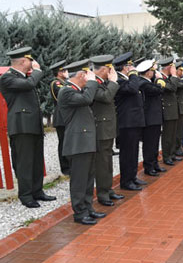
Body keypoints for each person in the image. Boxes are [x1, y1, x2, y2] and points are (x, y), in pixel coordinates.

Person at [0, 47, 56, 208]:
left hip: (33, 125)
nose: (33, 64)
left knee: (37, 160)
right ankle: (25, 195)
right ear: (23, 61)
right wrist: (38, 71)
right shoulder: (8, 78)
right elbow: (29, 84)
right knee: (24, 162)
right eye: (30, 61)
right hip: (21, 126)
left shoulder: (23, 77)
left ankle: (38, 191)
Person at [57, 59, 105, 225]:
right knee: (79, 180)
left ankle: (88, 208)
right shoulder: (67, 91)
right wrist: (92, 81)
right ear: (81, 75)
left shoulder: (77, 91)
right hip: (77, 143)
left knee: (88, 178)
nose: (88, 79)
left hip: (86, 142)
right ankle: (79, 213)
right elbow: (87, 99)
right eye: (87, 75)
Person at [90, 55, 124, 207]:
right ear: (104, 69)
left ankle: (108, 189)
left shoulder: (102, 82)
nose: (112, 71)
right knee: (102, 162)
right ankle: (102, 193)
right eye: (109, 69)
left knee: (108, 160)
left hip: (108, 127)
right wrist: (113, 82)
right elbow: (105, 97)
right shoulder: (93, 83)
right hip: (101, 128)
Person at [114, 52, 146, 191]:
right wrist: (133, 74)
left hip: (134, 121)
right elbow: (133, 88)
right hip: (126, 123)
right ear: (124, 67)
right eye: (130, 66)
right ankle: (126, 181)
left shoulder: (127, 79)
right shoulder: (119, 81)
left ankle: (132, 177)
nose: (133, 68)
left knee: (134, 151)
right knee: (127, 153)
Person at [137, 59, 165, 177]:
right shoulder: (143, 83)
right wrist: (159, 78)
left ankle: (155, 163)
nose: (154, 73)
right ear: (148, 72)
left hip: (155, 117)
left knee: (154, 143)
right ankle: (149, 166)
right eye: (153, 71)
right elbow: (158, 89)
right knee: (149, 144)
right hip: (150, 118)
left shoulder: (147, 81)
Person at [158, 56, 183, 165]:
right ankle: (166, 156)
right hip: (167, 110)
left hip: (173, 109)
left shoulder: (168, 78)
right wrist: (173, 75)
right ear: (168, 67)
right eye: (172, 66)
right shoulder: (160, 79)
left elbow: (175, 86)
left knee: (173, 134)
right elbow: (172, 88)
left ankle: (172, 154)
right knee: (167, 135)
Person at [49, 60, 71, 176]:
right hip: (61, 117)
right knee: (63, 142)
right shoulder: (56, 83)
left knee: (70, 141)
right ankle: (65, 167)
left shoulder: (65, 82)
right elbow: (61, 98)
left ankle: (71, 164)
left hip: (68, 116)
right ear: (59, 72)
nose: (66, 72)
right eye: (64, 70)